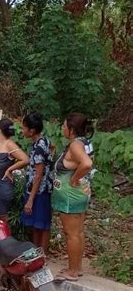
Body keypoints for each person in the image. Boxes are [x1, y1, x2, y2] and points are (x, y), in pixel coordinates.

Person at [52, 113, 94, 282]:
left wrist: (74, 178)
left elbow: (87, 164)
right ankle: (77, 267)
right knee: (78, 231)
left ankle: (72, 271)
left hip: (70, 195)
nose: (62, 129)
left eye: (64, 126)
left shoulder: (76, 145)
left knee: (71, 234)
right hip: (80, 193)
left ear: (71, 130)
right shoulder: (85, 142)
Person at [21, 112, 53, 254]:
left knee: (42, 223)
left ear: (31, 130)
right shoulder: (43, 141)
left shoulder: (38, 148)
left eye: (24, 128)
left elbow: (38, 175)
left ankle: (42, 252)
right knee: (37, 223)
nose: (22, 131)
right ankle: (36, 251)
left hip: (40, 190)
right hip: (40, 189)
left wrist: (31, 199)